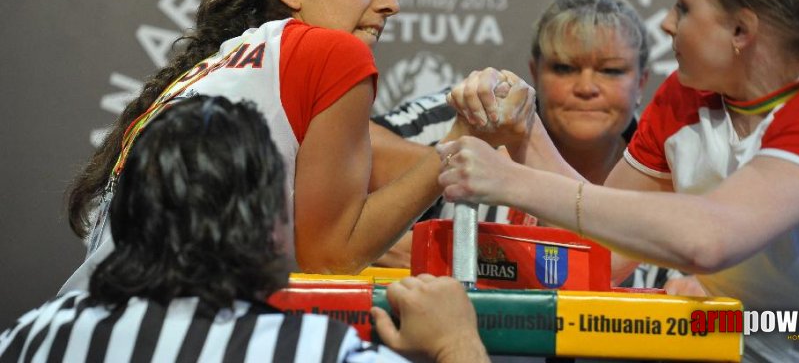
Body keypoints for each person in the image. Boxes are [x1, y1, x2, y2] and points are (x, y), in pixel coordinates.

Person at [436, 0, 799, 361]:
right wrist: (524, 128)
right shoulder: (686, 96)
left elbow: (709, 239)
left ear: (741, 29)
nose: (666, 23)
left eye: (683, 6)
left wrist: (512, 180)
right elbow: (600, 252)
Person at [62, 0, 472, 291]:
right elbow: (329, 259)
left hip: (84, 324)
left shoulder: (222, 61)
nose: (391, 3)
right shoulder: (330, 52)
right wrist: (456, 150)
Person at [2, 97, 488, 362]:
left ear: (127, 214)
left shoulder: (33, 338)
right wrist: (456, 344)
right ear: (273, 223)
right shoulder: (317, 352)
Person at [371, 0, 683, 290]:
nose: (586, 87)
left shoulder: (674, 167)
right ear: (535, 73)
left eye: (611, 71)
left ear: (641, 82)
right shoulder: (484, 112)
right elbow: (356, 143)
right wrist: (465, 161)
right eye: (564, 68)